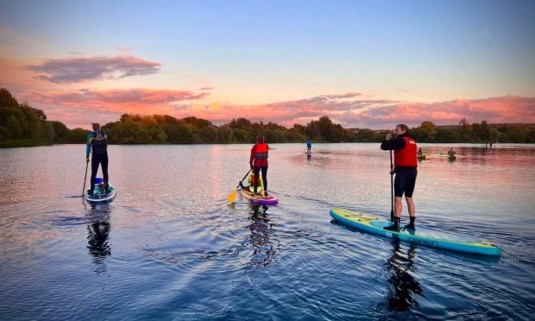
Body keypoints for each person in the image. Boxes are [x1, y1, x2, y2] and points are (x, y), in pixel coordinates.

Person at [380, 124, 418, 231]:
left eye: (397, 130)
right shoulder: (412, 141)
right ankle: (412, 223)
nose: (395, 131)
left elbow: (384, 147)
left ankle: (396, 224)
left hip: (403, 173)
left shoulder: (401, 140)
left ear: (403, 130)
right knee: (409, 197)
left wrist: (387, 139)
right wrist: (395, 170)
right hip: (413, 171)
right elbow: (407, 157)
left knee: (398, 198)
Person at [86, 123, 110, 197]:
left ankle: (92, 190)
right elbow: (106, 144)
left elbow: (88, 147)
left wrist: (87, 157)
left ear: (93, 128)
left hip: (95, 155)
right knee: (105, 172)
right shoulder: (104, 134)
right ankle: (106, 189)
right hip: (104, 155)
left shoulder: (90, 135)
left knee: (93, 173)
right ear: (99, 127)